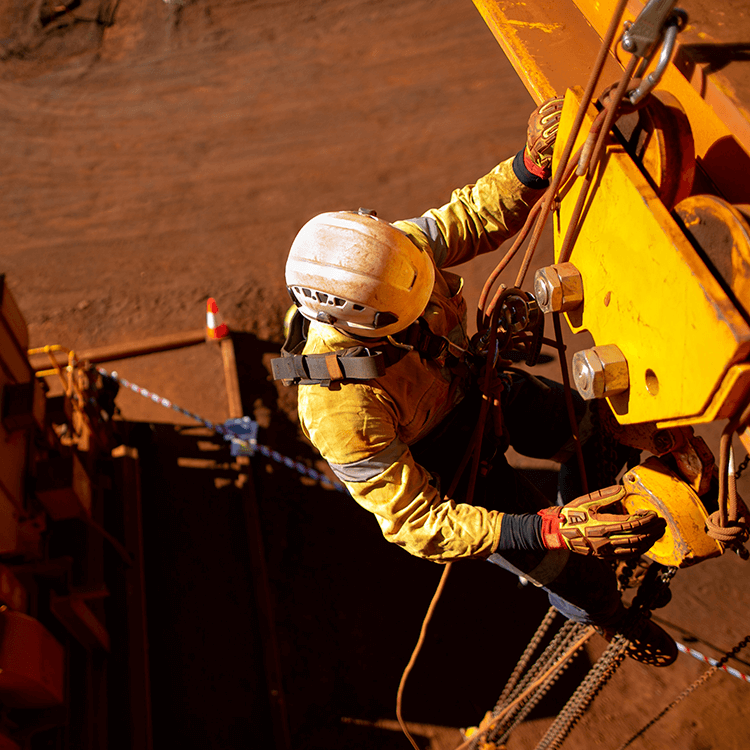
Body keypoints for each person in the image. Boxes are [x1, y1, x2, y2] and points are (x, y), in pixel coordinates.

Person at [272, 98, 676, 666]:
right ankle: (610, 613)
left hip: (479, 391)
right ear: (367, 326)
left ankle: (601, 505)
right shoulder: (340, 411)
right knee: (576, 573)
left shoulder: (391, 258)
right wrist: (551, 529)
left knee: (599, 429)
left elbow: (467, 217)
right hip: (452, 465)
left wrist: (530, 168)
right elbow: (418, 523)